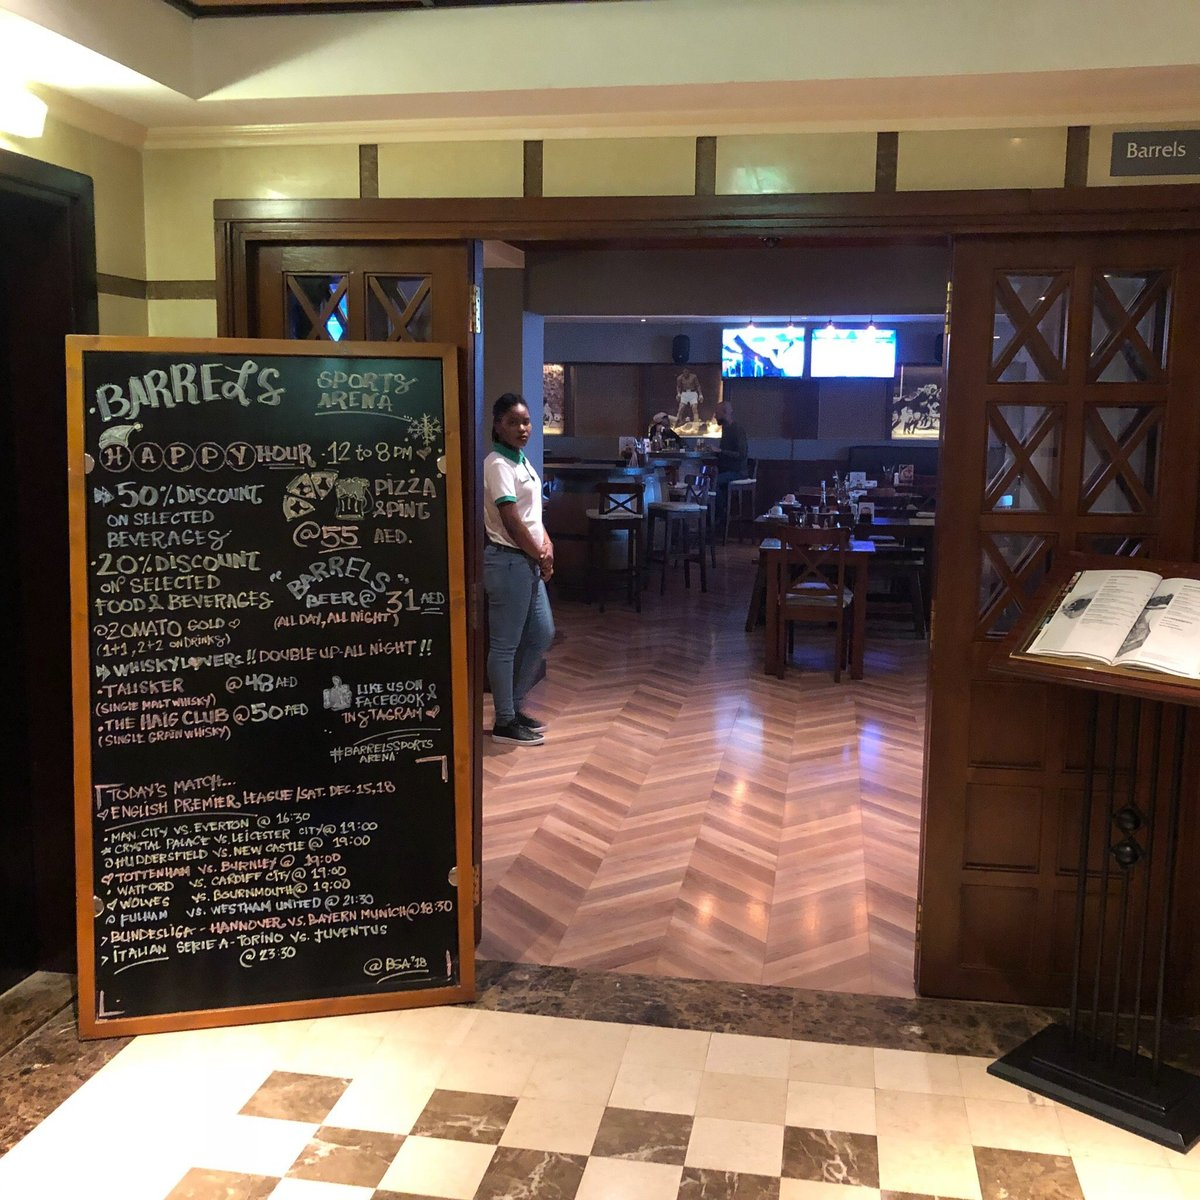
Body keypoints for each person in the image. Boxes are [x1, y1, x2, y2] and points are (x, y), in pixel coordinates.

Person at [483, 393, 555, 746]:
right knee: (505, 645)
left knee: (542, 633)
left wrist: (547, 543)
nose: (522, 428)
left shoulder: (521, 460)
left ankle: (512, 707)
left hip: (527, 560)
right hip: (508, 560)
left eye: (526, 421)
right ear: (498, 426)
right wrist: (539, 554)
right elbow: (511, 521)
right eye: (513, 422)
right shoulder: (497, 463)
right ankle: (504, 721)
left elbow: (532, 515)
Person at [714, 400, 748, 526]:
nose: (715, 416)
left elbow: (741, 454)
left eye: (717, 413)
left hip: (738, 472)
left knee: (713, 482)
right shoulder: (726, 429)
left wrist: (720, 451)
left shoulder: (737, 430)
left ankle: (721, 515)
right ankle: (718, 516)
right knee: (712, 481)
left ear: (724, 413)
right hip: (727, 471)